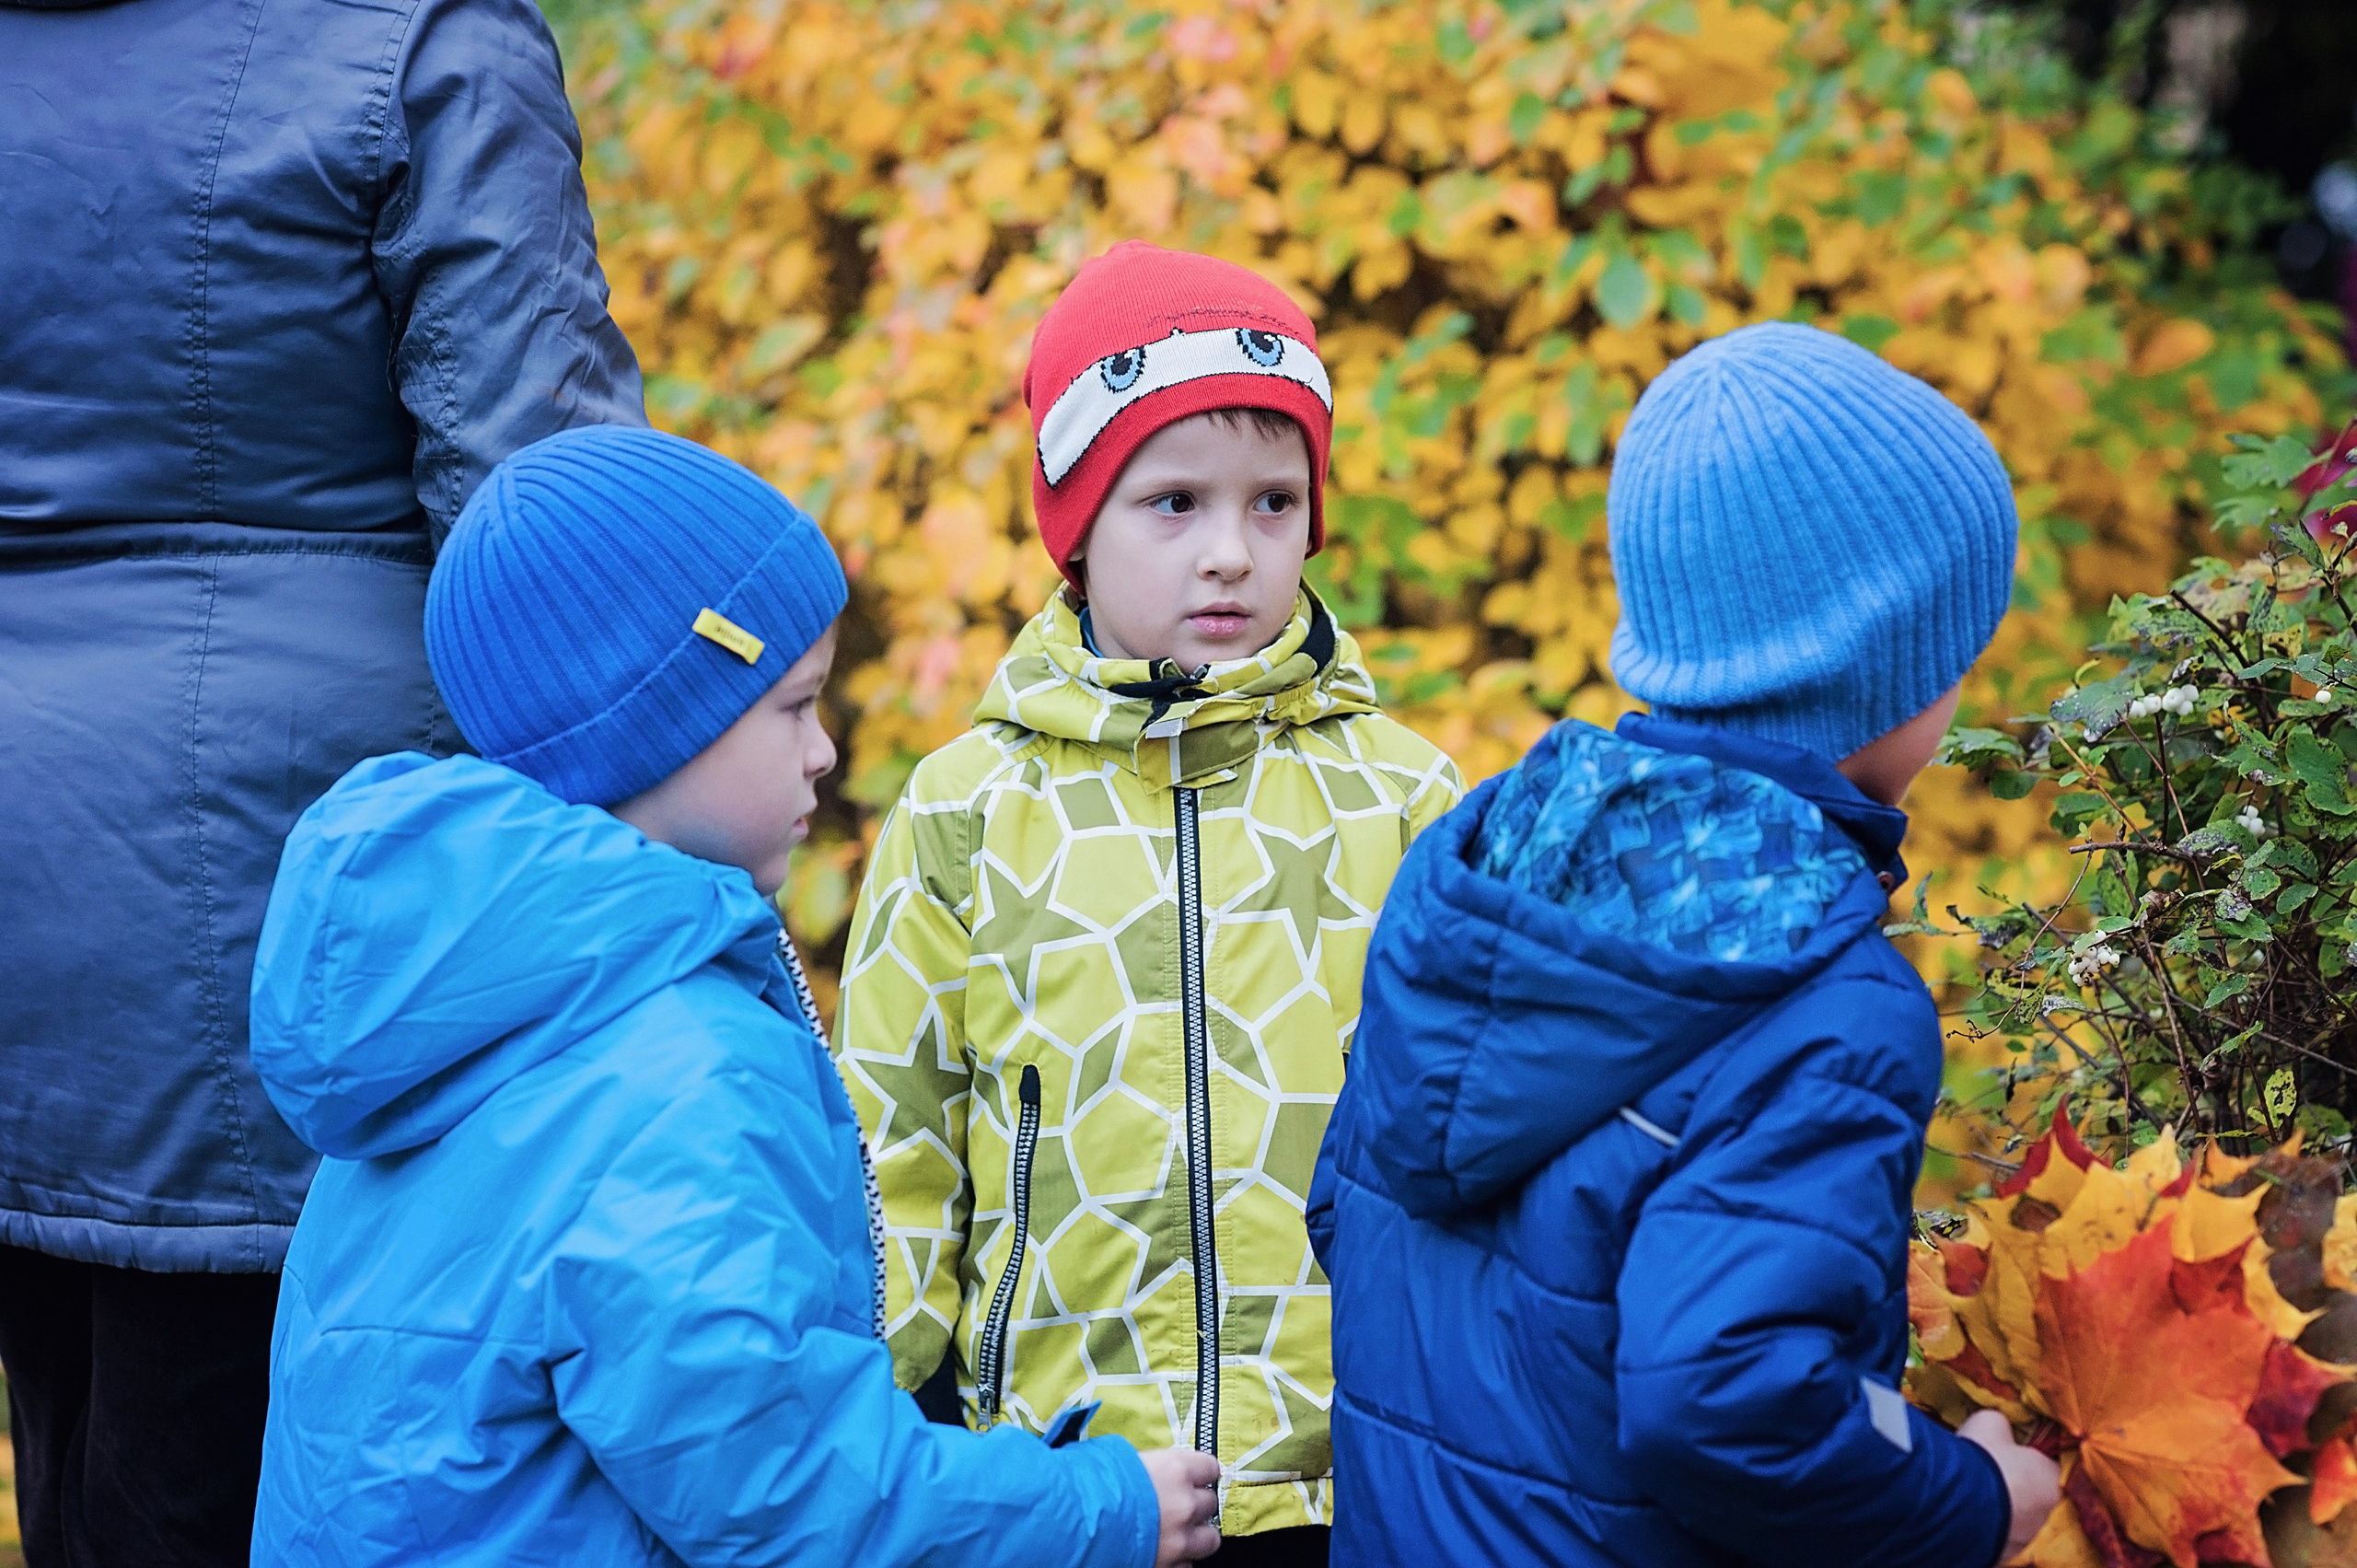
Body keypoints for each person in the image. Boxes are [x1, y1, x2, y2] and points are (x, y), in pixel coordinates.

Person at [242, 426, 1222, 1568]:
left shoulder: (452, 1001)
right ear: (652, 730)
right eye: (792, 705)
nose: (824, 752)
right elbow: (791, 1495)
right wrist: (1099, 1508)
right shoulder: (675, 1072)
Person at [0, 0, 643, 1560]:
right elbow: (546, 526)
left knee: (79, 1453)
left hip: (35, 911)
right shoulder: (415, 39)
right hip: (317, 931)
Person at [1308, 322, 2062, 1568]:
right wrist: (1965, 1481)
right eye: (1955, 654)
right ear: (1879, 667)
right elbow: (1739, 1398)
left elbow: (1351, 1206)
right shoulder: (1831, 1004)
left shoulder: (1492, 878)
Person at [831, 241, 1464, 1563]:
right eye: (1174, 502)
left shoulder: (1405, 798)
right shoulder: (966, 809)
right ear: (1075, 523)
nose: (1232, 552)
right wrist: (887, 1453)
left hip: (1352, 1484)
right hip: (1063, 1479)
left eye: (1275, 503)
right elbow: (895, 1157)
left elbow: (1474, 1140)